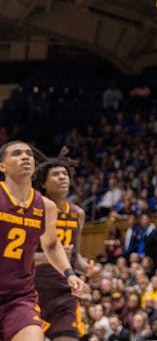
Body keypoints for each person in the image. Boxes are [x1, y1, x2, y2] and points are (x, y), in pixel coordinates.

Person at [0, 142, 88, 341]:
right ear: (2, 166)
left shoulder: (45, 207)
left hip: (19, 297)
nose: (25, 157)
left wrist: (70, 273)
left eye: (29, 154)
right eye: (16, 154)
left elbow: (51, 244)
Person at [33, 155, 93, 341]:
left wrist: (89, 269)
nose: (63, 177)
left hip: (63, 292)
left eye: (65, 174)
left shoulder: (78, 214)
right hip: (33, 289)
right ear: (43, 183)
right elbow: (16, 256)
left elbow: (75, 256)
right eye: (56, 174)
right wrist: (48, 256)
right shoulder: (33, 210)